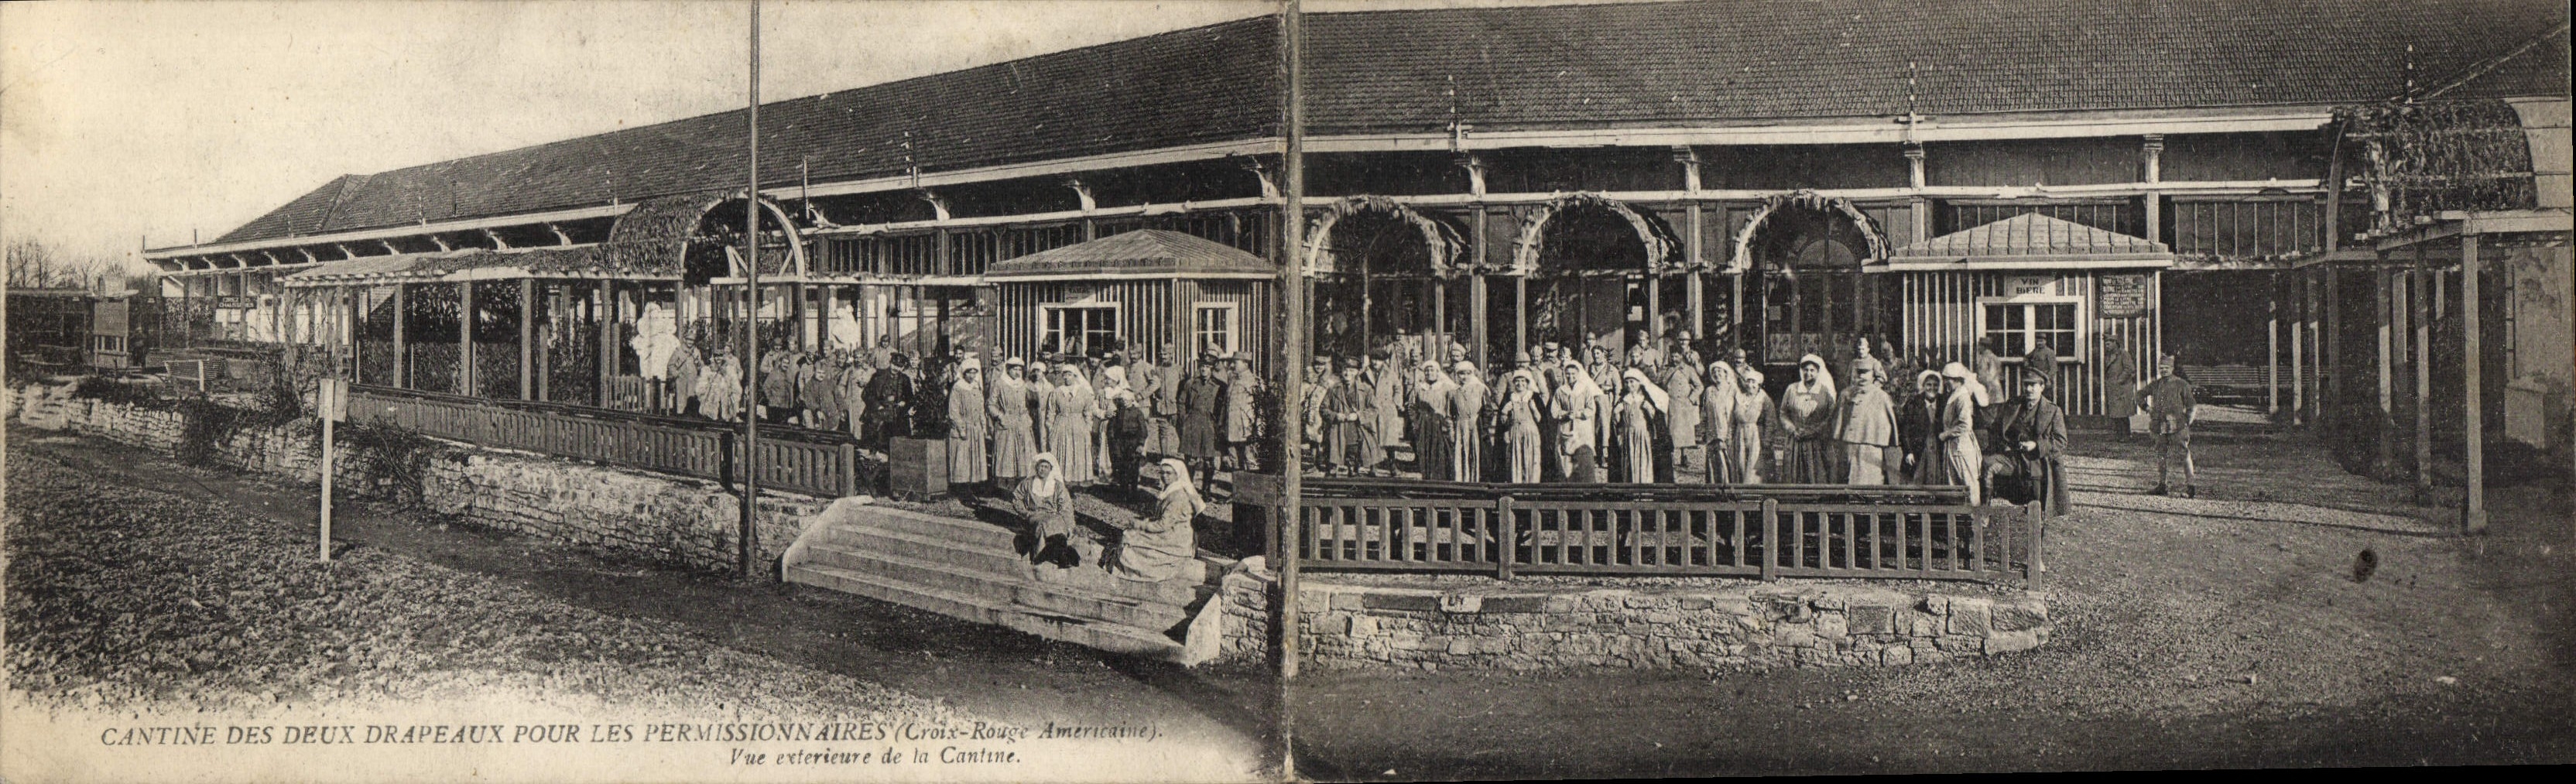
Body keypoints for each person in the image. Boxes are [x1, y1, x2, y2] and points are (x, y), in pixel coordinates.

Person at [1985, 372, 2071, 515]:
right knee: (1987, 464)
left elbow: (2061, 441)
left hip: (2039, 460)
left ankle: (2038, 522)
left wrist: (2036, 445)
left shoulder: (2053, 411)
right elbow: (1996, 430)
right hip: (2013, 458)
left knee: (2037, 498)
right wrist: (2004, 446)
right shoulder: (2013, 405)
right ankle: (1984, 513)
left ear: (2042, 387)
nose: (2029, 389)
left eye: (2033, 385)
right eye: (2026, 384)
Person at [1108, 458, 1204, 583]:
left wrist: (1140, 525)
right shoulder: (1169, 490)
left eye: (1169, 473)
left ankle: (1134, 571)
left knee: (1130, 539)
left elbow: (1164, 524)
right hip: (1169, 532)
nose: (1164, 476)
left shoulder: (1178, 496)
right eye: (1162, 473)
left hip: (1176, 538)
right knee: (1131, 534)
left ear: (1177, 475)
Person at [2139, 352, 2197, 498]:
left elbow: (2192, 406)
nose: (2163, 370)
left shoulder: (2182, 384)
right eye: (2161, 368)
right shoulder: (2156, 384)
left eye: (2166, 367)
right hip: (2159, 426)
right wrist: (2147, 408)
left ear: (2172, 368)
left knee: (2184, 455)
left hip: (2178, 426)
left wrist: (2187, 422)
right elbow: (2139, 395)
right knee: (2161, 455)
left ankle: (2191, 487)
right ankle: (2162, 485)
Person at [1777, 354, 1840, 484]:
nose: (1808, 373)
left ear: (1818, 372)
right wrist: (1793, 429)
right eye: (1805, 370)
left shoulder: (1824, 392)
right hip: (1795, 439)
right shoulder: (1792, 389)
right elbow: (1783, 413)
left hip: (1816, 440)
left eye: (1812, 370)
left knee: (1815, 471)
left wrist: (1815, 431)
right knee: (1794, 472)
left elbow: (1830, 416)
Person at [1835, 364, 1901, 485]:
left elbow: (1891, 422)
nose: (1862, 376)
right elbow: (1839, 419)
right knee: (1851, 476)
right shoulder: (1847, 394)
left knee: (1873, 477)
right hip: (1852, 443)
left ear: (1873, 375)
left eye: (1866, 372)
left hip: (1873, 445)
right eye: (1859, 373)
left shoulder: (1882, 396)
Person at [1014, 453, 1079, 568]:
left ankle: (1056, 553)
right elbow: (1016, 498)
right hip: (1035, 515)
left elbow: (1065, 506)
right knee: (1043, 524)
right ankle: (1046, 555)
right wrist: (1025, 512)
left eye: (1046, 467)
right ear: (1036, 467)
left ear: (1051, 469)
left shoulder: (1057, 486)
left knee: (1058, 523)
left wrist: (1069, 525)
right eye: (1041, 466)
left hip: (1053, 515)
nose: (1043, 470)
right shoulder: (1028, 483)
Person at [1938, 362, 1985, 505]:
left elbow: (1965, 425)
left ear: (1958, 380)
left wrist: (1946, 435)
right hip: (1954, 446)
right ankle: (1959, 520)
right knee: (1954, 482)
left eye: (1949, 379)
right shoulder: (1954, 395)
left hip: (1962, 446)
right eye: (1945, 378)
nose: (1946, 382)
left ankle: (1975, 519)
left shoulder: (1963, 397)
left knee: (1968, 481)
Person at [1552, 359, 1605, 483]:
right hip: (1566, 428)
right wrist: (1565, 414)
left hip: (1582, 428)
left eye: (1573, 374)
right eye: (1568, 374)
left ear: (1578, 374)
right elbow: (1554, 411)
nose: (1571, 376)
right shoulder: (1560, 391)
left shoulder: (1585, 390)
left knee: (1583, 457)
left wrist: (1578, 414)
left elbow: (1591, 409)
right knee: (1566, 460)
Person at [941, 358, 991, 489]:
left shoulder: (976, 387)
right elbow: (954, 411)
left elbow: (981, 408)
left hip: (976, 428)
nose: (972, 376)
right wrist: (961, 428)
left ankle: (974, 487)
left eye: (975, 373)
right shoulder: (958, 388)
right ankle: (962, 488)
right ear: (964, 373)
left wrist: (983, 426)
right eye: (970, 373)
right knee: (963, 459)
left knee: (975, 458)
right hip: (964, 427)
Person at [1612, 368, 1667, 483]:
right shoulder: (1624, 400)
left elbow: (1654, 419)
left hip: (1642, 435)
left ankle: (1643, 485)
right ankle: (1629, 486)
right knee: (1628, 461)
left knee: (1641, 460)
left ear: (1639, 383)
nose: (1629, 385)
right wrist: (1616, 413)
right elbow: (1617, 422)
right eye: (1627, 382)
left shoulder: (1644, 400)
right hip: (1628, 436)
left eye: (1632, 382)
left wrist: (1649, 409)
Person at [988, 358, 1038, 483]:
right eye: (1014, 369)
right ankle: (1007, 486)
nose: (1017, 372)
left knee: (1024, 455)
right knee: (1007, 455)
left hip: (1022, 422)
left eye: (1020, 369)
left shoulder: (1023, 384)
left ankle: (1023, 484)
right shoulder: (1000, 383)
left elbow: (1033, 403)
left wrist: (1028, 418)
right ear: (1008, 370)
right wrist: (1000, 416)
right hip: (1007, 422)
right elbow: (991, 405)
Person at [1177, 354, 1224, 484]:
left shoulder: (1219, 386)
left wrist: (1218, 424)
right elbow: (1181, 402)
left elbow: (1222, 407)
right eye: (1202, 366)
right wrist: (1184, 418)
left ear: (1212, 369)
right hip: (1193, 422)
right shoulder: (1190, 383)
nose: (1204, 369)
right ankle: (1189, 486)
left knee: (1209, 458)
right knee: (1191, 458)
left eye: (1208, 367)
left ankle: (1206, 490)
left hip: (1210, 424)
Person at [1322, 358, 1375, 474]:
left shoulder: (1366, 389)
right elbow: (1323, 409)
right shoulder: (1333, 389)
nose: (1348, 373)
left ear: (1357, 372)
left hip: (1357, 428)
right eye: (1345, 370)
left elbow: (1374, 409)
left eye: (1352, 370)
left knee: (1355, 454)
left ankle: (1353, 469)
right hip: (1338, 428)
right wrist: (1335, 416)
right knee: (1333, 462)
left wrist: (1358, 415)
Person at [1659, 350, 1702, 482]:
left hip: (1684, 404)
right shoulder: (1667, 370)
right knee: (1672, 431)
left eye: (1676, 355)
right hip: (1671, 403)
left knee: (1684, 433)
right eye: (1672, 355)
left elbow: (1699, 386)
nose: (1674, 357)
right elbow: (1661, 383)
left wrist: (1691, 398)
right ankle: (1673, 458)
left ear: (1682, 356)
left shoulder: (1688, 369)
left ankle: (1685, 456)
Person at [1898, 370, 1946, 484]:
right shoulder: (1913, 403)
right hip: (1919, 448)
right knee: (1917, 478)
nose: (1932, 388)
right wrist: (1908, 452)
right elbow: (1905, 431)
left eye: (1935, 385)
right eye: (1929, 385)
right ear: (1923, 386)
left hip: (1937, 448)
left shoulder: (1943, 402)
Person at [1498, 369, 1546, 483]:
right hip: (1515, 431)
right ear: (1514, 383)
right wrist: (1506, 424)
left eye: (1523, 381)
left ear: (1527, 382)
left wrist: (1533, 408)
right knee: (1516, 458)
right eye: (1517, 381)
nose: (1520, 384)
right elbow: (1503, 419)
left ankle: (1532, 487)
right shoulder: (1510, 398)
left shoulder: (1534, 397)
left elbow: (1540, 419)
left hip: (1531, 432)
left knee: (1531, 458)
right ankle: (1517, 486)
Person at [1411, 360, 1457, 480]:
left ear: (1438, 372)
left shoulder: (1446, 388)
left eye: (1432, 370)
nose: (1429, 373)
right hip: (1424, 424)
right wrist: (1415, 422)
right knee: (1425, 450)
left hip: (1440, 423)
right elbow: (1412, 407)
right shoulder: (1419, 388)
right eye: (1427, 371)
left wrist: (1449, 423)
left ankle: (1441, 479)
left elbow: (1452, 406)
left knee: (1440, 451)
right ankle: (1427, 478)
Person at [860, 353, 915, 451]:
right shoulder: (878, 376)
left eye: (899, 366)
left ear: (903, 368)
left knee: (900, 449)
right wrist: (878, 406)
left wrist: (905, 403)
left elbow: (911, 399)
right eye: (894, 365)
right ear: (890, 363)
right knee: (878, 448)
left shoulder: (905, 379)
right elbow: (866, 394)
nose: (896, 368)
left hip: (899, 419)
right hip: (880, 418)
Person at [1729, 367, 1774, 484]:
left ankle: (1754, 490)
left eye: (1753, 382)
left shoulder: (1764, 399)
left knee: (1755, 465)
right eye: (1748, 381)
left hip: (1756, 435)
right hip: (1740, 433)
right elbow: (1733, 420)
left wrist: (1767, 440)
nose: (1750, 385)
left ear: (1759, 384)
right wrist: (1731, 436)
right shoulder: (1739, 398)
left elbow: (1770, 421)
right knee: (1740, 462)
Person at [1365, 351, 1407, 474]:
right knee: (1373, 438)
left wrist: (1395, 402)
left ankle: (1392, 466)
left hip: (1387, 410)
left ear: (1384, 361)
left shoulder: (1390, 373)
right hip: (1372, 409)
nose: (1375, 362)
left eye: (1378, 360)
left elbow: (1398, 388)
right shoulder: (1365, 374)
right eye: (1373, 359)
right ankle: (1373, 467)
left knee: (1390, 440)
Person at [1220, 354, 1262, 473]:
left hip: (1246, 428)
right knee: (1234, 459)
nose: (1232, 366)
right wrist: (1222, 423)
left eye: (1236, 363)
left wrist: (1257, 427)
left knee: (1250, 458)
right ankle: (1238, 489)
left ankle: (1251, 489)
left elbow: (1259, 407)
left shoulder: (1252, 381)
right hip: (1231, 427)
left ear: (1245, 364)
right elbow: (1226, 403)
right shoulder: (1233, 380)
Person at [1448, 361, 1488, 483]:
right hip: (1461, 425)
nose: (1464, 377)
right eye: (1461, 374)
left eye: (1468, 373)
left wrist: (1482, 424)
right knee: (1462, 452)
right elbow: (1450, 413)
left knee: (1476, 452)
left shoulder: (1480, 389)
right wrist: (1451, 430)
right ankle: (1462, 480)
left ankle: (1476, 479)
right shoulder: (1453, 392)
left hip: (1476, 425)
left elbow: (1488, 410)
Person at [1700, 361, 1738, 484]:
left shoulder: (1733, 390)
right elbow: (1704, 412)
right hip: (1712, 431)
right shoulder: (1709, 391)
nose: (1717, 374)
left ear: (1726, 373)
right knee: (1713, 460)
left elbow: (1738, 412)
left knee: (1728, 460)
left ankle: (1729, 489)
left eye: (1720, 371)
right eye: (1714, 372)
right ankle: (1714, 490)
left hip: (1728, 430)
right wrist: (1703, 431)